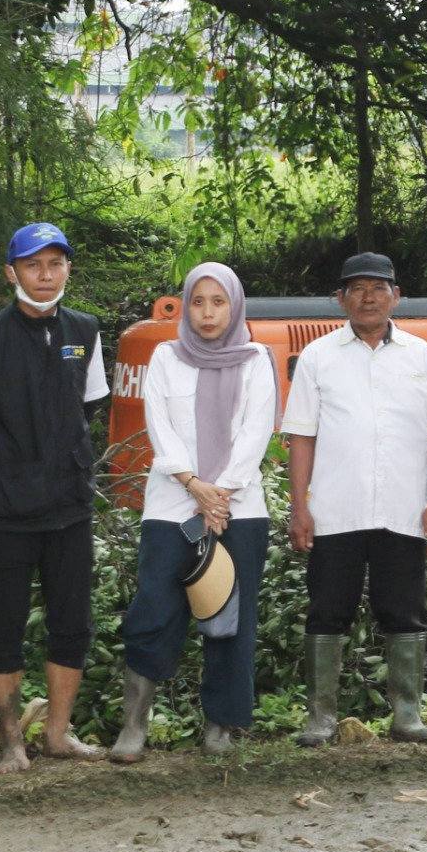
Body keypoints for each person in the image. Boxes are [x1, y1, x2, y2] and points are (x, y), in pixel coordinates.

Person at [0, 222, 111, 772]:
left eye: (55, 263)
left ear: (68, 269)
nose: (45, 275)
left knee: (72, 621)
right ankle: (12, 741)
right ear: (10, 272)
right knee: (8, 623)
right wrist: (8, 470)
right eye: (33, 265)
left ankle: (58, 735)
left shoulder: (85, 331)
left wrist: (57, 462)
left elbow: (87, 409)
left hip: (69, 504)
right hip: (7, 509)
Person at [282, 252, 427, 747]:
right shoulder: (318, 356)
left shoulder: (420, 355)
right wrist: (299, 507)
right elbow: (301, 437)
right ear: (340, 299)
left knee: (403, 610)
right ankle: (320, 718)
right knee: (327, 610)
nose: (368, 297)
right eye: (356, 288)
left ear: (395, 296)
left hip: (403, 510)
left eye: (378, 288)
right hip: (335, 510)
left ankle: (406, 714)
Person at [111, 262, 279, 761]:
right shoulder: (166, 357)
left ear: (234, 305)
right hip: (171, 506)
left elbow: (257, 431)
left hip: (239, 509)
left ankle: (219, 727)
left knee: (230, 615)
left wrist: (220, 492)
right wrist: (194, 486)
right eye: (198, 302)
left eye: (218, 302)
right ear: (186, 305)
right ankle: (134, 726)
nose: (208, 313)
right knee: (154, 609)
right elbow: (158, 425)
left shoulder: (256, 360)